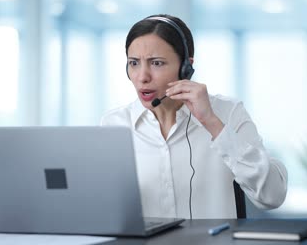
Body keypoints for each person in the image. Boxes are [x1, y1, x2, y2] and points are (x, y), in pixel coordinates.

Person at [101, 14, 287, 219]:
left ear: (186, 68)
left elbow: (272, 196)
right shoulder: (115, 124)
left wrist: (212, 123)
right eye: (134, 63)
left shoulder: (228, 112)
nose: (142, 77)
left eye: (156, 63)